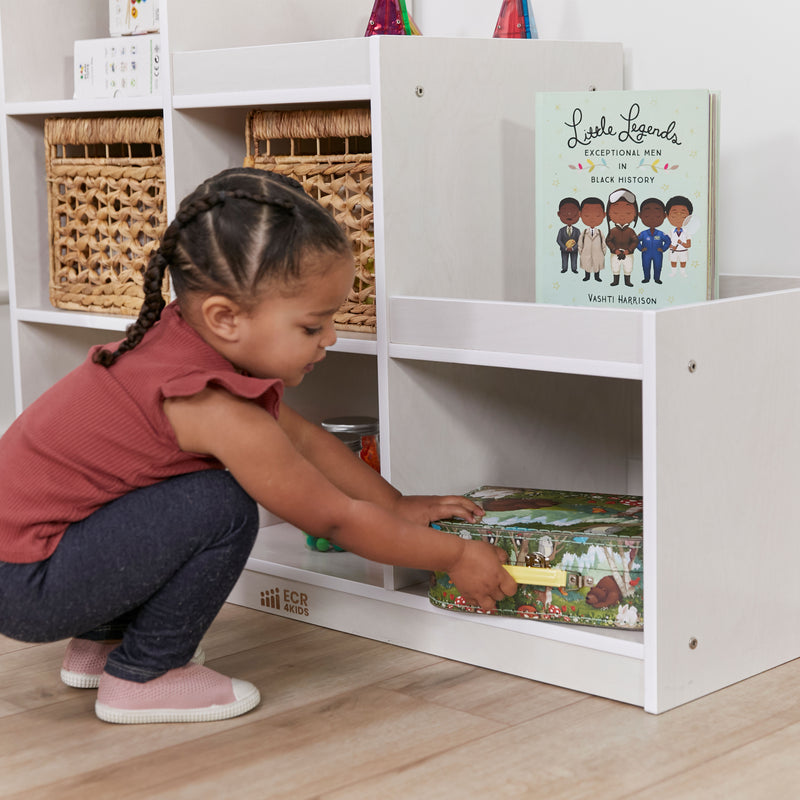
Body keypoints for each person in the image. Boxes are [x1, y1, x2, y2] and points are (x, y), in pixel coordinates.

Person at [0, 168, 516, 725]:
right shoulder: (211, 407)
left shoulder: (181, 338)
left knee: (171, 491)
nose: (332, 338)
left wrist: (396, 506)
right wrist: (457, 555)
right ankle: (144, 674)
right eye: (313, 326)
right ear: (225, 318)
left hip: (29, 562)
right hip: (30, 585)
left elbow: (301, 437)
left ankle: (103, 645)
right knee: (221, 504)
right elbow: (335, 520)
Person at [605, 188, 639, 287]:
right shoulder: (613, 231)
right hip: (615, 253)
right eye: (616, 213)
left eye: (628, 213)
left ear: (635, 214)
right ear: (609, 214)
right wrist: (615, 250)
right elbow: (608, 240)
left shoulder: (630, 231)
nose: (622, 216)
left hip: (628, 254)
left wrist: (628, 250)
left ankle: (627, 281)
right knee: (615, 267)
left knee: (628, 267)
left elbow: (635, 241)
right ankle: (615, 280)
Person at [637, 198, 671, 284]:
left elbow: (668, 241)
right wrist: (640, 248)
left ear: (664, 216)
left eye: (657, 217)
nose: (652, 219)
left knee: (658, 266)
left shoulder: (661, 234)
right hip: (646, 253)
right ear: (640, 215)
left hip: (657, 253)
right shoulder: (643, 233)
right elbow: (636, 241)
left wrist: (663, 249)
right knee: (646, 266)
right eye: (647, 216)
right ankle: (646, 278)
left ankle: (657, 279)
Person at [577, 197, 607, 282]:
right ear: (580, 214)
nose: (592, 219)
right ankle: (587, 276)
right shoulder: (584, 232)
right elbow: (580, 244)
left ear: (603, 215)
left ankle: (597, 277)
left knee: (597, 265)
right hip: (586, 253)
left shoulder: (600, 232)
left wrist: (603, 253)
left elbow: (603, 244)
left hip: (598, 253)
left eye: (597, 216)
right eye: (587, 215)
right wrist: (582, 252)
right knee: (587, 265)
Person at [555, 197, 581, 274]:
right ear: (559, 214)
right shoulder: (561, 230)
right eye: (565, 211)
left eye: (573, 212)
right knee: (564, 258)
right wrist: (565, 247)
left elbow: (579, 241)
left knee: (574, 258)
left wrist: (573, 248)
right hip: (564, 249)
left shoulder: (577, 230)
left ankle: (574, 268)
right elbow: (558, 240)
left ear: (579, 214)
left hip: (574, 249)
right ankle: (564, 268)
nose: (569, 214)